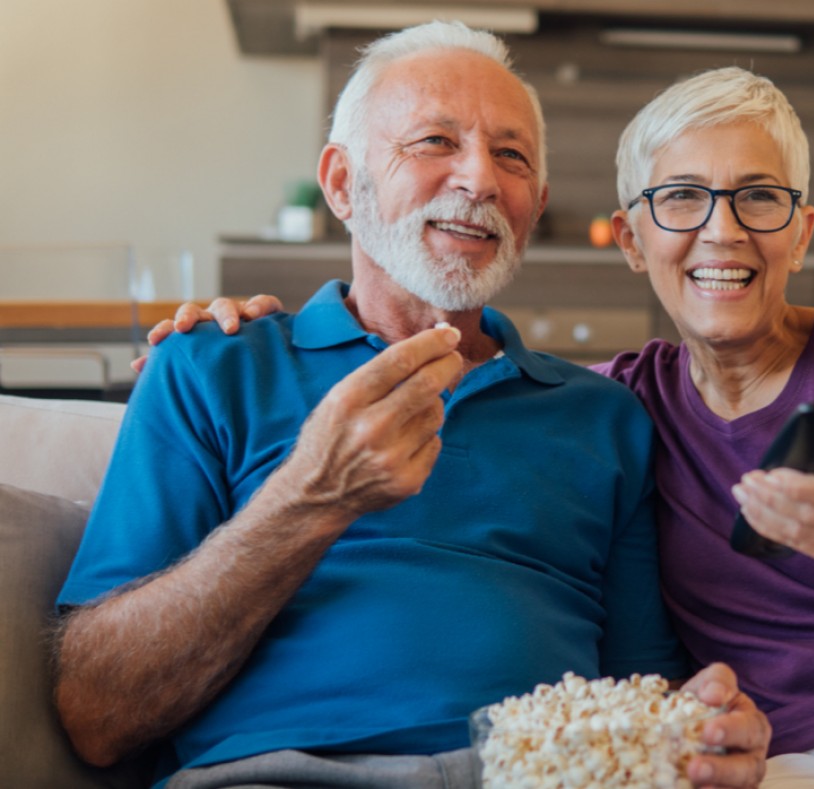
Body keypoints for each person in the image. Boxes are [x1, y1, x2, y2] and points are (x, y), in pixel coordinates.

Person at [151, 67, 814, 788]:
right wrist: (246, 324)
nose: (721, 231)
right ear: (631, 241)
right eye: (681, 199)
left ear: (799, 230)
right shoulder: (610, 405)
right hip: (792, 759)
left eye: (757, 198)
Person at [54, 23, 769, 789]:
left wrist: (705, 730)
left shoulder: (606, 417)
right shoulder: (210, 365)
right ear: (341, 183)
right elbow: (98, 715)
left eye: (512, 155)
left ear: (535, 206)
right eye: (434, 141)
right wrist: (311, 497)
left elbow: (644, 692)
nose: (480, 180)